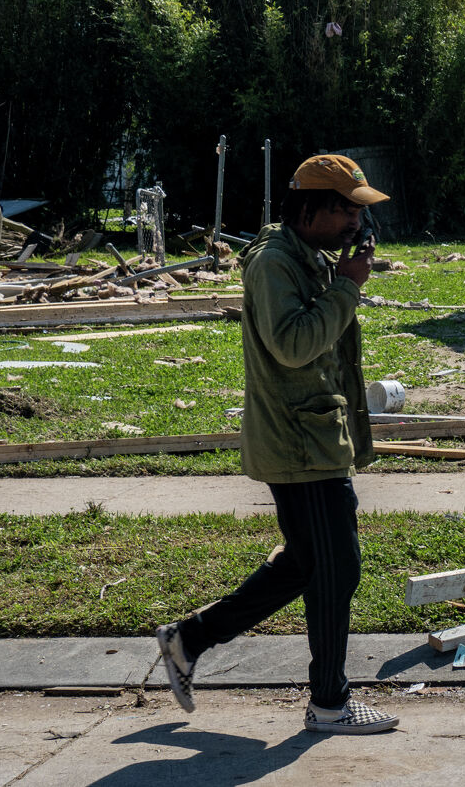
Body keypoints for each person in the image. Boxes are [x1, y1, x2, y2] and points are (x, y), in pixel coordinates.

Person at [154, 154, 399, 734]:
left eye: (360, 214)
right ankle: (330, 704)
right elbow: (293, 345)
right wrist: (346, 288)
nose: (356, 225)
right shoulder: (273, 265)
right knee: (336, 569)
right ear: (310, 206)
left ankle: (188, 640)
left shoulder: (306, 256)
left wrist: (340, 280)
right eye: (347, 211)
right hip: (298, 444)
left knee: (307, 565)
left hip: (313, 437)